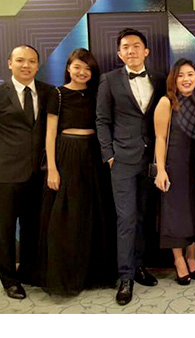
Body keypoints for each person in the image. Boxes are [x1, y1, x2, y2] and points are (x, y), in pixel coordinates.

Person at [38, 48, 116, 295]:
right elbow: (50, 134)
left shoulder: (97, 94)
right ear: (68, 68)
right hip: (67, 154)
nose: (82, 72)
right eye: (77, 67)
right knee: (67, 217)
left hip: (93, 154)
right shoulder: (58, 94)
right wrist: (52, 169)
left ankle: (91, 274)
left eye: (87, 68)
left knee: (92, 214)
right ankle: (68, 275)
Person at [96, 28, 166, 306]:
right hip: (122, 160)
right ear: (119, 53)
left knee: (143, 218)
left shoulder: (160, 78)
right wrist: (109, 155)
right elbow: (102, 120)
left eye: (136, 46)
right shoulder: (109, 80)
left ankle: (138, 266)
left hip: (151, 161)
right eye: (125, 47)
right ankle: (125, 277)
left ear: (146, 51)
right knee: (125, 219)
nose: (131, 50)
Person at [0, 45, 53, 300]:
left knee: (33, 227)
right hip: (6, 174)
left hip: (39, 174)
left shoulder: (48, 91)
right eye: (20, 60)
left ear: (37, 65)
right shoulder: (1, 93)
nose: (26, 65)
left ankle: (30, 272)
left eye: (31, 61)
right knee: (5, 230)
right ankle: (9, 279)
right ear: (10, 63)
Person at [154, 59, 195, 285]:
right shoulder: (166, 102)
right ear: (174, 79)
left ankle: (192, 257)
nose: (186, 79)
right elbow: (160, 138)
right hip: (175, 165)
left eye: (190, 74)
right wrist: (161, 170)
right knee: (175, 214)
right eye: (181, 75)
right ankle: (178, 260)